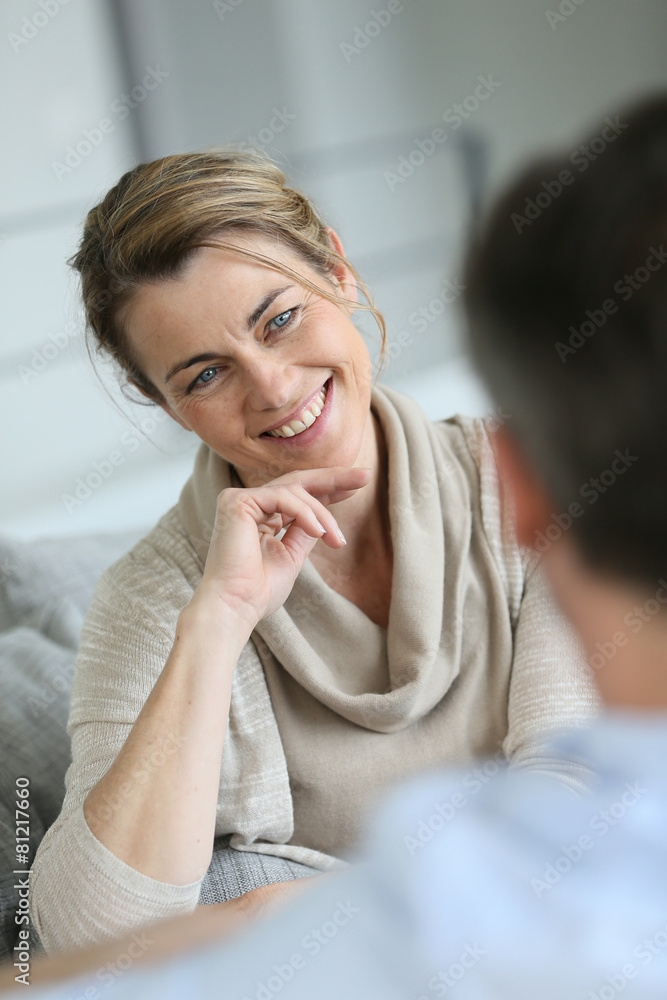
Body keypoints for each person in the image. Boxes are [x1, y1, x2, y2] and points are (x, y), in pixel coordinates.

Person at [27, 146, 599, 957]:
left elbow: (577, 809)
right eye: (204, 375)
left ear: (338, 269)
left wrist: (278, 911)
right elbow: (89, 940)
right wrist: (218, 622)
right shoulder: (154, 597)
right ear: (164, 405)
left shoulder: (537, 485)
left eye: (279, 319)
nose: (270, 387)